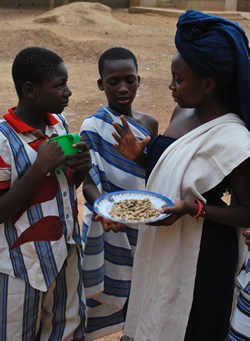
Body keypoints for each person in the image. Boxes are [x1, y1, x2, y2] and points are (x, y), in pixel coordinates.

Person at [111, 10, 250, 341]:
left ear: (208, 84)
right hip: (163, 240)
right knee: (155, 314)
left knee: (188, 326)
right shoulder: (181, 112)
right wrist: (143, 156)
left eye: (179, 79)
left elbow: (247, 212)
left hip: (204, 256)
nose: (171, 86)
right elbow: (179, 172)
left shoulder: (235, 139)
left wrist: (193, 209)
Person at [0, 46, 91, 340]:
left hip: (64, 254)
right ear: (30, 90)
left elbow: (62, 191)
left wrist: (82, 169)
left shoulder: (58, 125)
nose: (68, 92)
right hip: (21, 267)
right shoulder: (3, 140)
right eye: (59, 85)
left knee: (65, 330)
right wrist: (40, 167)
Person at [79, 47, 158, 340]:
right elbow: (89, 180)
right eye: (113, 81)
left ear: (139, 80)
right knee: (112, 285)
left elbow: (152, 175)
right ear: (101, 84)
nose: (123, 88)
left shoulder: (149, 124)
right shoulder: (91, 126)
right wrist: (101, 207)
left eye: (129, 79)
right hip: (106, 222)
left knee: (140, 287)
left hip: (142, 220)